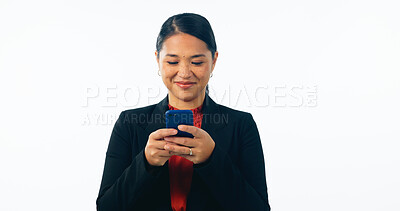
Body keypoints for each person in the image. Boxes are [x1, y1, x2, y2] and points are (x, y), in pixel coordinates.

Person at [96, 13, 271, 211]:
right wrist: (146, 163)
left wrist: (211, 160)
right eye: (172, 62)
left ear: (214, 61)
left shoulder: (241, 125)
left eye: (197, 62)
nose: (185, 73)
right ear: (158, 60)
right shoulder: (129, 123)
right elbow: (106, 207)